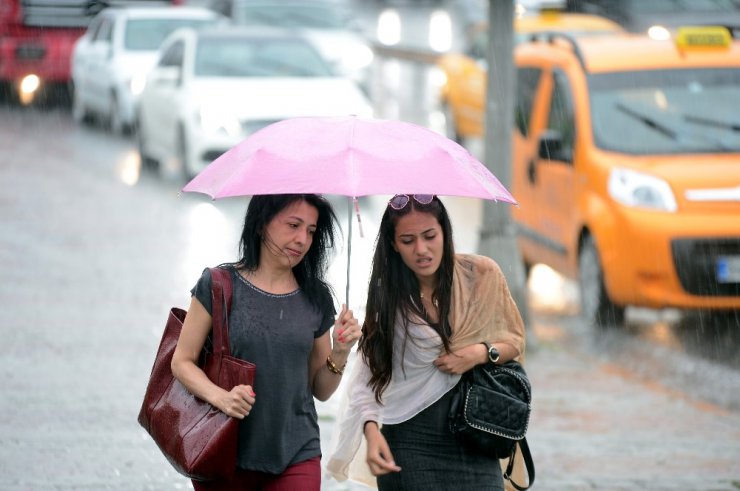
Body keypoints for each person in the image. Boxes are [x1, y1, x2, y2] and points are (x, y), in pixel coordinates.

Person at [327, 194, 526, 490]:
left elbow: (514, 341)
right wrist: (371, 432)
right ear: (394, 245)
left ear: (445, 231)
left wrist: (478, 353)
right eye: (408, 241)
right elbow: (369, 375)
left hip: (475, 432)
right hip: (409, 442)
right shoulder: (389, 298)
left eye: (430, 236)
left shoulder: (479, 276)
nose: (422, 249)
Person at [172, 194, 361, 491]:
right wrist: (221, 397)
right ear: (261, 224)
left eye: (311, 231)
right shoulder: (219, 285)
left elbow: (321, 390)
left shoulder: (316, 298)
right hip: (223, 451)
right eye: (293, 225)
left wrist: (340, 352)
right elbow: (181, 361)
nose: (302, 239)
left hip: (297, 453)